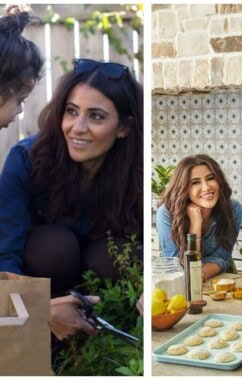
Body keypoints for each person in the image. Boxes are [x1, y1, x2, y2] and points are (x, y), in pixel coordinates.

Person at [0, 7, 143, 340]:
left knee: (113, 253)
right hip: (37, 292)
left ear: (123, 128)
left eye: (95, 117)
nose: (77, 128)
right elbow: (5, 255)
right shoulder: (26, 158)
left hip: (101, 289)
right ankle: (47, 343)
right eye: (71, 111)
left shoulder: (136, 168)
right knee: (53, 245)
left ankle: (100, 338)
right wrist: (37, 313)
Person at [156, 154, 242, 281]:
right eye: (195, 182)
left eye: (210, 178)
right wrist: (195, 224)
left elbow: (221, 257)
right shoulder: (166, 213)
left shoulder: (233, 209)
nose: (206, 187)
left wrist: (198, 276)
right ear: (184, 188)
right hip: (179, 282)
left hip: (219, 277)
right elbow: (177, 267)